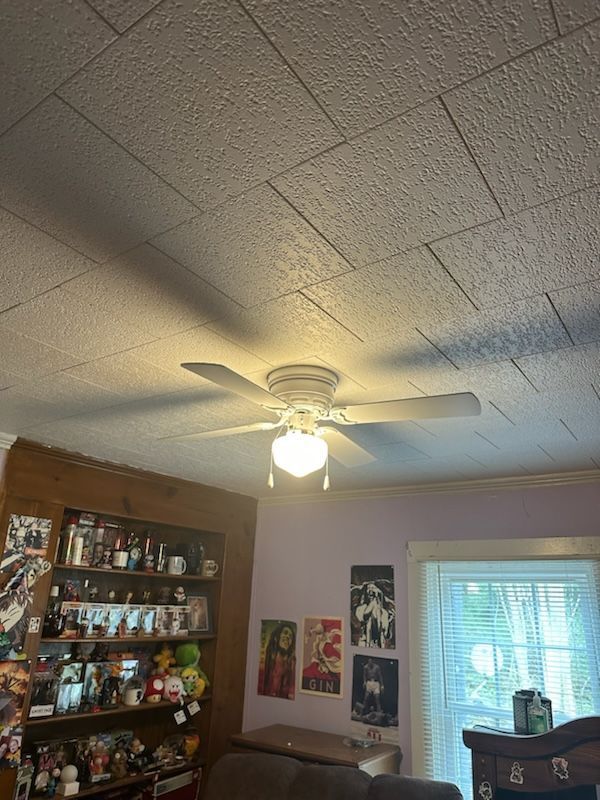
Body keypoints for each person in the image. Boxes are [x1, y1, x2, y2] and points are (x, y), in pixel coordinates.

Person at [261, 623, 296, 699]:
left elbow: (292, 688)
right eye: (285, 633)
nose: (287, 637)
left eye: (290, 636)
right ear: (277, 637)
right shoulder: (268, 657)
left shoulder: (292, 662)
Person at [355, 582, 393, 648]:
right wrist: (373, 603)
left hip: (379, 645)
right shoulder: (361, 608)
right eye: (369, 588)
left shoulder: (384, 613)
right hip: (364, 644)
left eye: (373, 588)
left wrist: (389, 623)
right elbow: (364, 617)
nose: (371, 590)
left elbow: (386, 634)